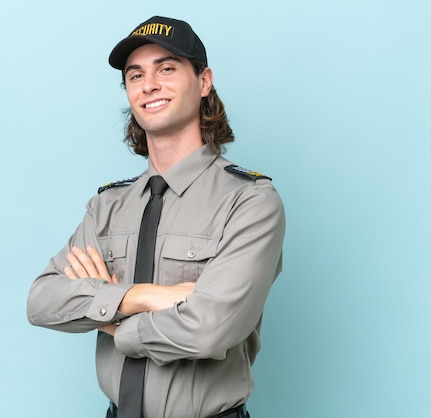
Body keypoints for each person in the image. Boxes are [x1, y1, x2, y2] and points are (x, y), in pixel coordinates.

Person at [27, 16, 285, 418]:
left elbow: (210, 331)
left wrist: (110, 319)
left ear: (203, 82)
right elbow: (42, 300)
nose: (149, 85)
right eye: (135, 76)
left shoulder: (249, 202)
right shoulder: (107, 207)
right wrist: (143, 296)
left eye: (166, 68)